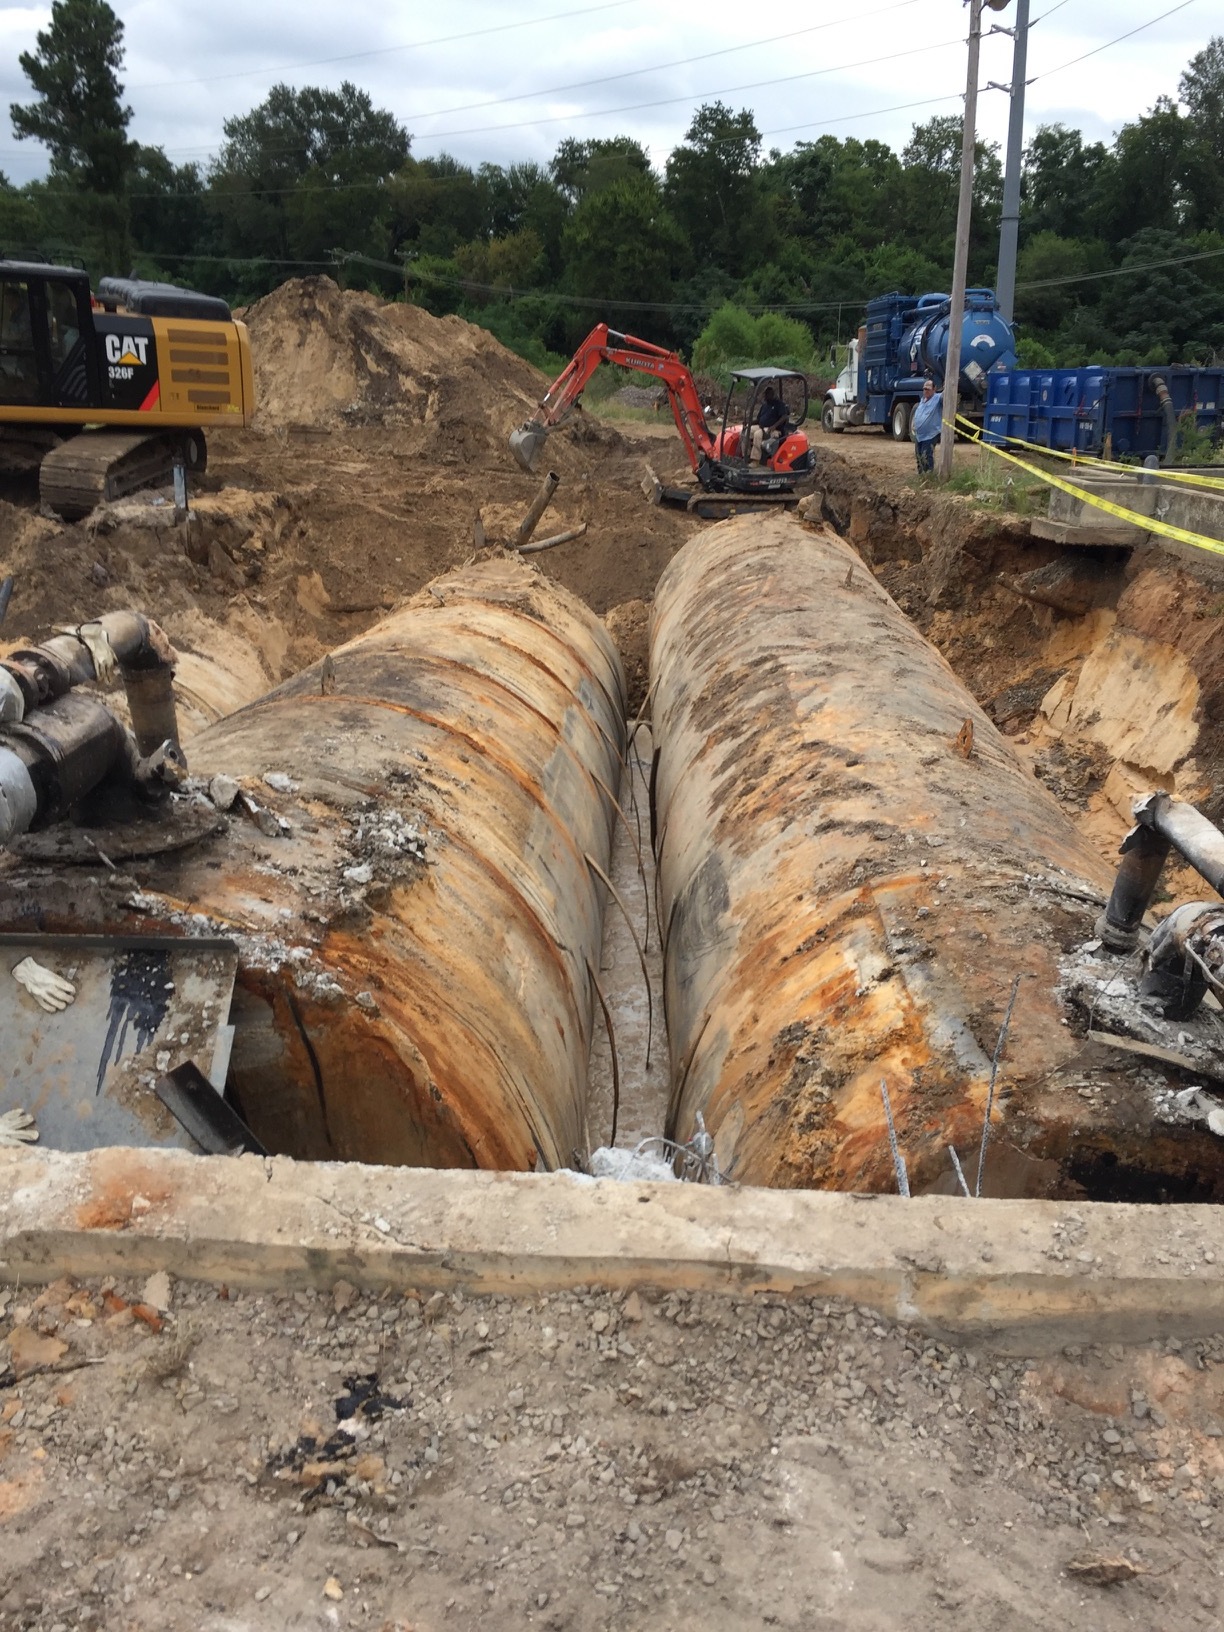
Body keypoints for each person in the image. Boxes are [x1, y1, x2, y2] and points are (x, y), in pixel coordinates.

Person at [911, 377, 943, 474]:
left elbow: (947, 395)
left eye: (928, 389)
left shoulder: (938, 398)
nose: (926, 391)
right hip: (919, 435)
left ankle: (929, 475)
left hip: (931, 434)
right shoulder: (922, 400)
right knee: (919, 455)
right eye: (924, 389)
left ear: (934, 389)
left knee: (926, 455)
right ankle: (921, 475)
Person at [749, 386, 788, 464]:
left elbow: (784, 417)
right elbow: (758, 419)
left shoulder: (779, 404)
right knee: (746, 432)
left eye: (768, 394)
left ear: (772, 394)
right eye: (765, 394)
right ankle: (746, 455)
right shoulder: (764, 405)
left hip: (773, 430)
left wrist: (774, 426)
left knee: (757, 435)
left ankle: (755, 460)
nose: (766, 396)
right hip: (761, 427)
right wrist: (749, 422)